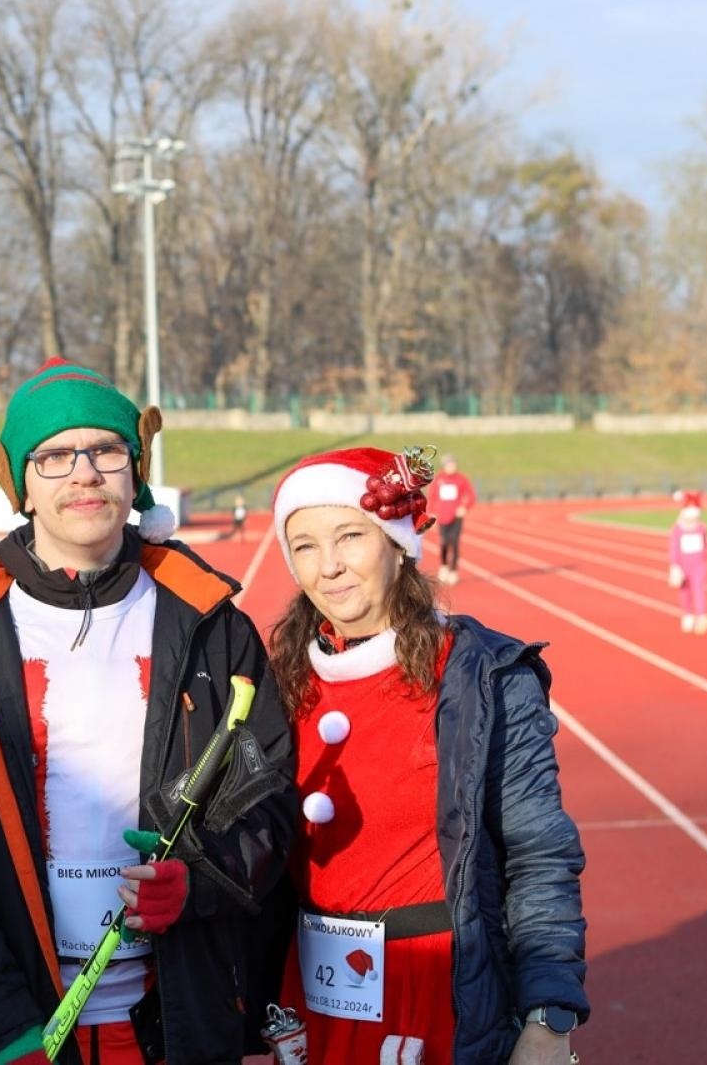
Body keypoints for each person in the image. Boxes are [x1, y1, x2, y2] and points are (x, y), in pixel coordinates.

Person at [0, 359, 297, 1064]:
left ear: (134, 472)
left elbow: (269, 803)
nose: (83, 474)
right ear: (21, 485)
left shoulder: (212, 624)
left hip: (178, 1021)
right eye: (53, 456)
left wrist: (200, 879)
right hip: (17, 1027)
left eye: (105, 450)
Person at [265, 446, 587, 1065]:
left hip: (438, 994)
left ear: (397, 543)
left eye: (350, 537)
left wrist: (550, 1016)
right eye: (304, 545)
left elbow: (539, 854)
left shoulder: (483, 678)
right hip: (313, 1003)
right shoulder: (276, 680)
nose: (328, 566)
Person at [426, 453, 475, 585]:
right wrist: (431, 514)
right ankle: (444, 566)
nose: (451, 467)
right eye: (449, 464)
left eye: (453, 464)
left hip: (456, 518)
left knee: (454, 543)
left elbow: (471, 495)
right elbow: (432, 497)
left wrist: (464, 507)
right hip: (442, 517)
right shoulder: (439, 479)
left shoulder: (461, 479)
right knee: (444, 542)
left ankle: (453, 571)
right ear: (444, 466)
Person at [668, 489, 707, 635]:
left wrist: (705, 559)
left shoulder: (702, 528)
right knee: (685, 591)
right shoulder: (677, 529)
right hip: (683, 564)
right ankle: (687, 614)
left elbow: (706, 545)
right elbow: (674, 547)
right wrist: (674, 565)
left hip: (699, 564)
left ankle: (701, 616)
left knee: (699, 590)